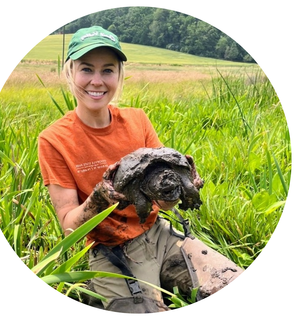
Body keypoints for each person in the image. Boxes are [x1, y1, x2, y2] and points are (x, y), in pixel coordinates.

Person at [38, 26, 243, 313]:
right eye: (86, 69)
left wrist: (183, 187)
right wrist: (102, 196)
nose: (96, 81)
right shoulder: (54, 139)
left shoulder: (138, 120)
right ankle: (99, 288)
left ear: (119, 75)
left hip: (160, 234)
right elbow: (69, 225)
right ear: (70, 72)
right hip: (111, 250)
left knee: (236, 287)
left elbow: (165, 203)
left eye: (108, 70)